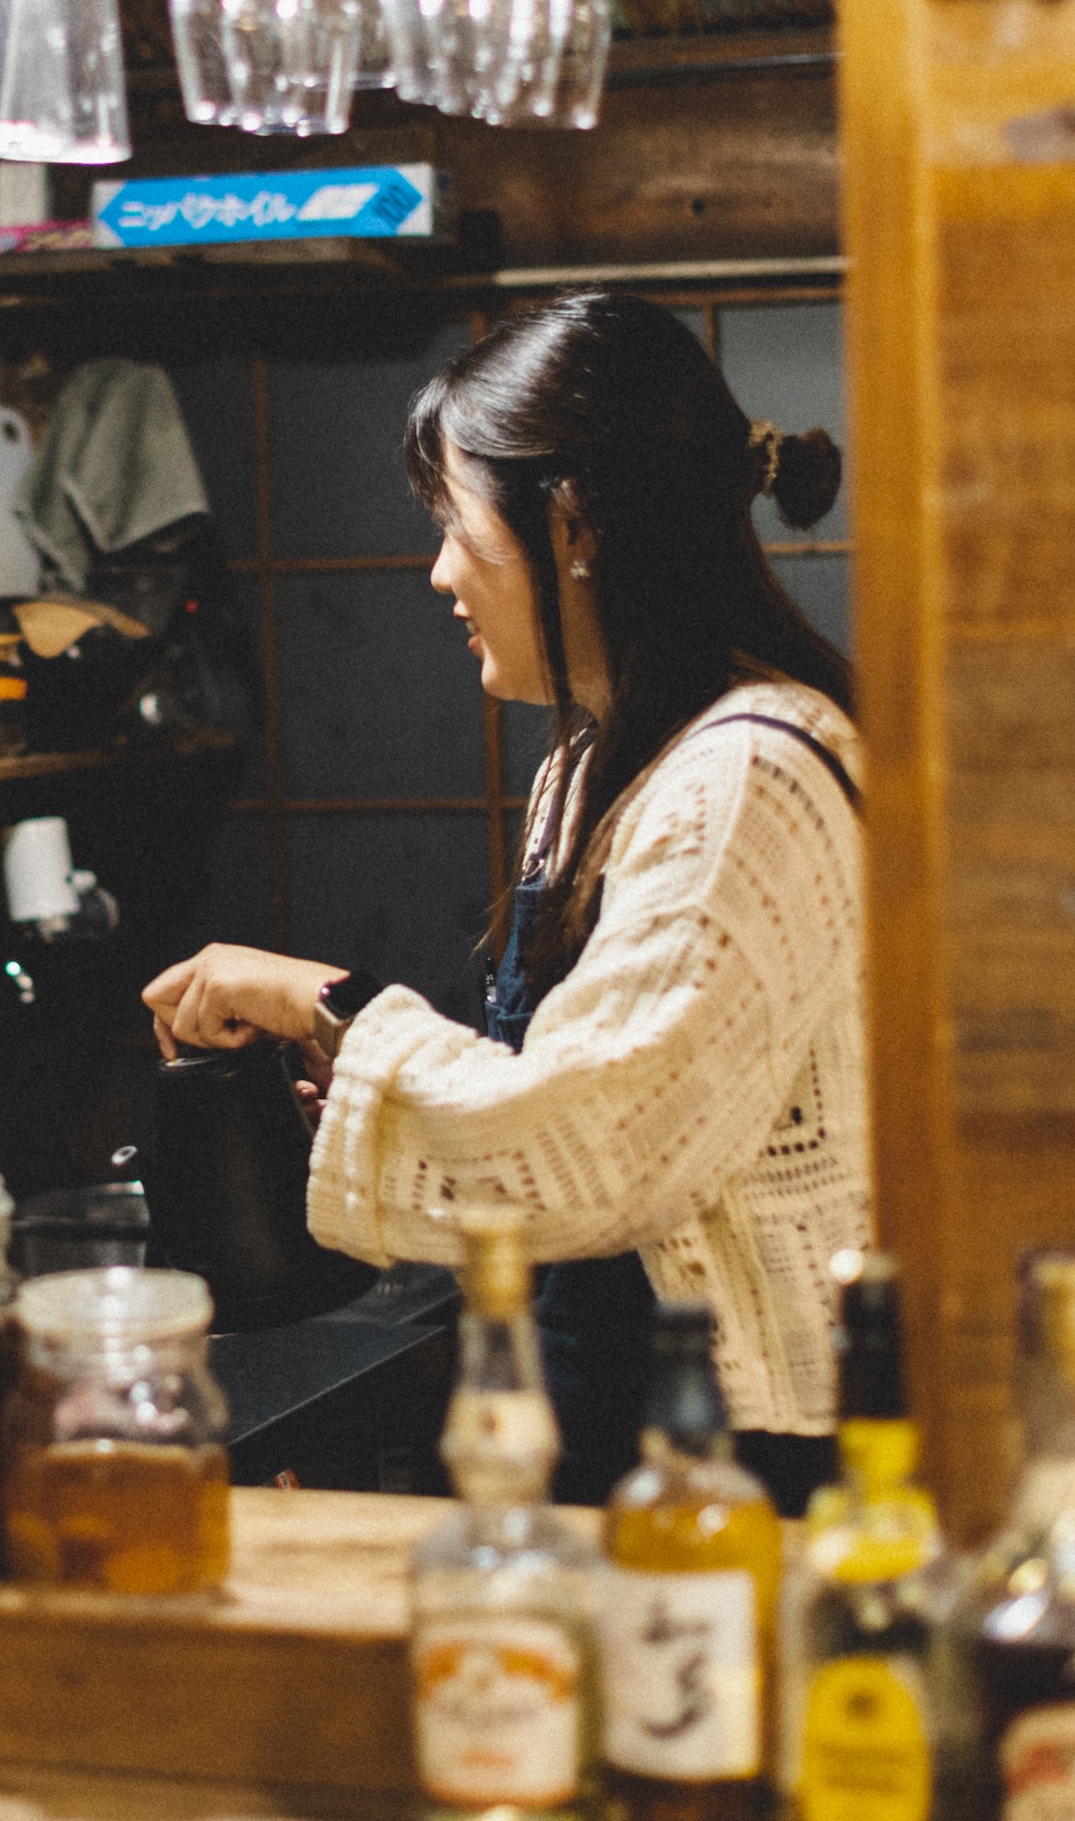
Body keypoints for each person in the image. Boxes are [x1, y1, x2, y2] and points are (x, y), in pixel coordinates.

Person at [141, 292, 870, 1513]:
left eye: (454, 526)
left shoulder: (748, 773)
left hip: (734, 1450)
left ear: (571, 523)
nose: (438, 573)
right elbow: (572, 1083)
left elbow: (591, 1144)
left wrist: (322, 1003)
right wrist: (366, 1088)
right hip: (601, 1407)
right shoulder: (593, 763)